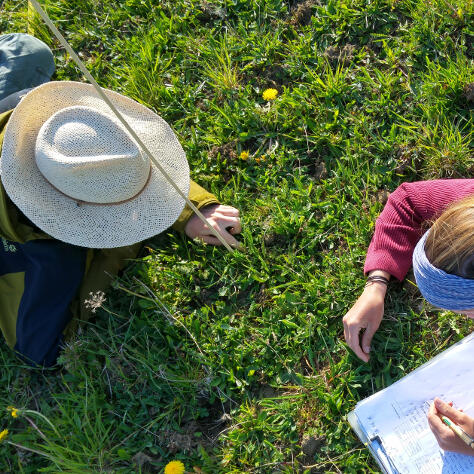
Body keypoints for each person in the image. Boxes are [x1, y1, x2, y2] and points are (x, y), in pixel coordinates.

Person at [0, 33, 241, 367]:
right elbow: (40, 350)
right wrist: (120, 244)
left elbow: (103, 154)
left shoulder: (44, 121)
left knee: (28, 52)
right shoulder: (49, 255)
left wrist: (191, 207)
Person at [343, 178, 474, 455]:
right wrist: (377, 283)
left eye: (466, 311)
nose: (464, 319)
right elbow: (408, 201)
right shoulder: (468, 208)